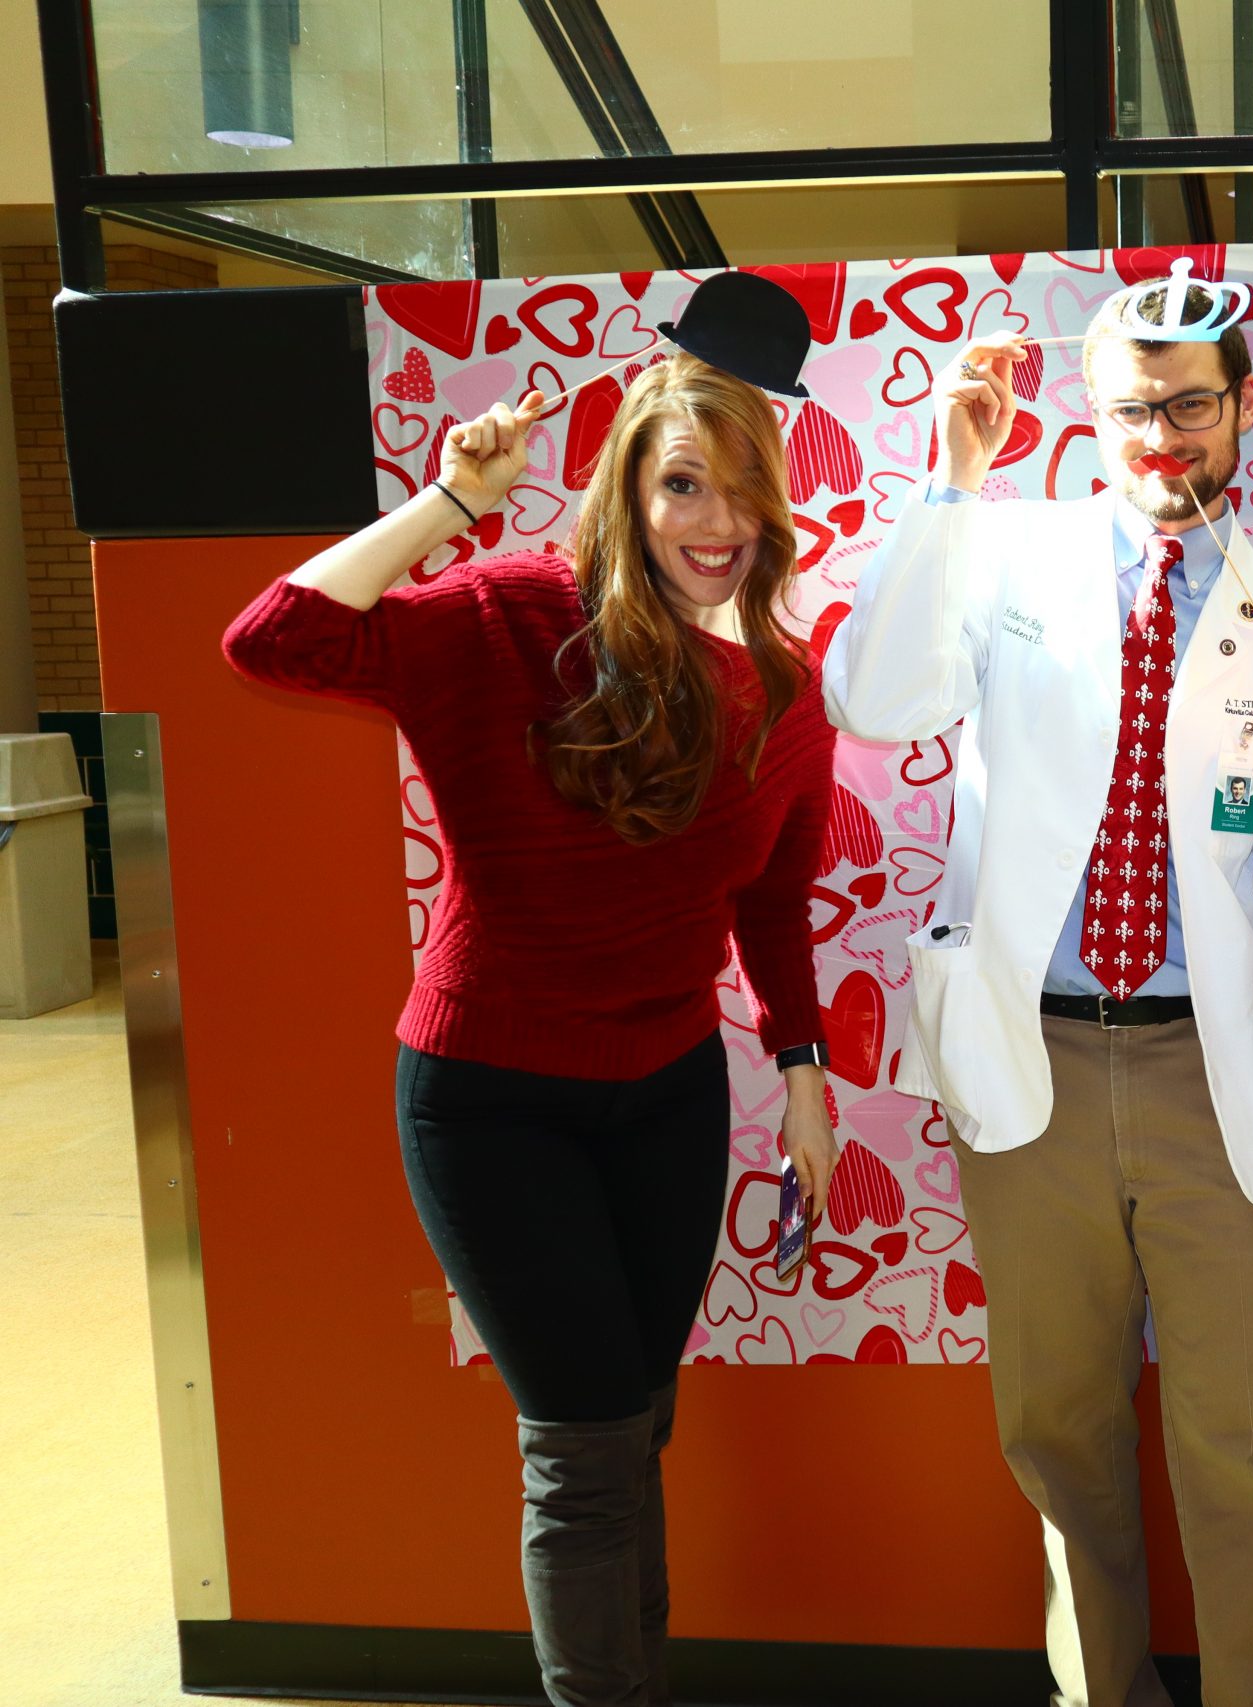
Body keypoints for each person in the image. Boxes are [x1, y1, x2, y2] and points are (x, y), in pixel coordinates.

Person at [222, 355, 839, 1707]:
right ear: (629, 491)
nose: (712, 519)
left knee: (633, 1428)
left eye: (739, 488)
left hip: (668, 1094)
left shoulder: (787, 694)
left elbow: (778, 903)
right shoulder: (505, 620)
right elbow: (273, 638)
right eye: (682, 482)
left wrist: (803, 1072)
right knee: (585, 1447)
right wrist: (451, 500)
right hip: (491, 1098)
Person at [824, 278, 1253, 1707]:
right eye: (1131, 408)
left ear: (1242, 409)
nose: (1161, 435)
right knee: (1059, 1437)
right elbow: (875, 700)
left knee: (1245, 1447)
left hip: (1204, 1072)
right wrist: (951, 475)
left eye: (1190, 403)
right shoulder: (1004, 558)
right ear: (1091, 419)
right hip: (1033, 1059)